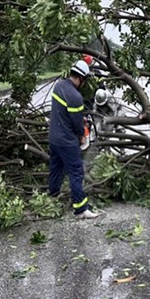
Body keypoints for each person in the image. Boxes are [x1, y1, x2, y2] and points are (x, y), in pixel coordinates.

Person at [48, 59, 98, 219]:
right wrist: (82, 136)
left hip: (54, 137)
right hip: (66, 141)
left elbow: (64, 113)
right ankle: (81, 209)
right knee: (76, 171)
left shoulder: (59, 86)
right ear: (81, 78)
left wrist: (78, 119)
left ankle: (53, 195)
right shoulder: (76, 97)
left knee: (56, 168)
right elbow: (77, 125)